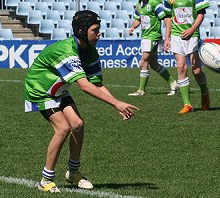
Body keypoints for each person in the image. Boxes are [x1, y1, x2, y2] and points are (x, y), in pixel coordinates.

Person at [24, 10, 139, 193]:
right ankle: (46, 180)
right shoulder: (67, 51)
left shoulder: (91, 52)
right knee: (62, 128)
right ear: (80, 31)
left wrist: (116, 102)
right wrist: (115, 103)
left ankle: (73, 172)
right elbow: (84, 86)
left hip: (58, 89)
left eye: (98, 29)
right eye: (94, 30)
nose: (99, 34)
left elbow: (97, 84)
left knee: (77, 124)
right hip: (40, 89)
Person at [163, 0, 210, 113]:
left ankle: (205, 93)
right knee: (181, 66)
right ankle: (187, 104)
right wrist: (167, 38)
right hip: (176, 36)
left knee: (197, 71)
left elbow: (201, 13)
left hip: (192, 35)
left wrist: (192, 29)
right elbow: (168, 18)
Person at [128, 0, 178, 96]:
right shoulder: (139, 4)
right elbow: (138, 18)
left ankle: (141, 90)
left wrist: (167, 38)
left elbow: (167, 19)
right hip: (145, 37)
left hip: (153, 37)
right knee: (154, 64)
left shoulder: (155, 3)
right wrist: (133, 27)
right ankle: (173, 83)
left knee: (143, 62)